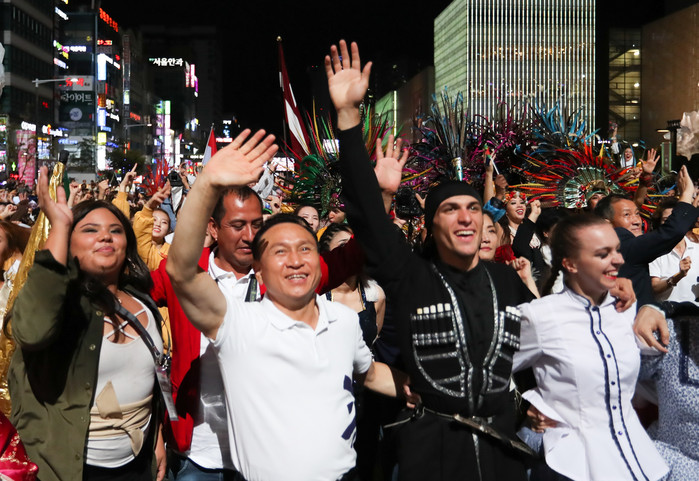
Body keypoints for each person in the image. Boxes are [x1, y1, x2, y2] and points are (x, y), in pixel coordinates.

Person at [327, 39, 535, 480]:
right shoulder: (411, 277)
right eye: (450, 209)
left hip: (503, 454)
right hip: (434, 452)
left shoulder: (506, 281)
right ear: (431, 225)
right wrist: (348, 117)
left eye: (473, 208)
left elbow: (554, 336)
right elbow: (365, 215)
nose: (466, 217)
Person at [166, 128, 412, 481]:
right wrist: (206, 183)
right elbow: (181, 271)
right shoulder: (238, 320)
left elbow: (370, 372)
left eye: (305, 248)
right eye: (280, 251)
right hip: (204, 456)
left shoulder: (341, 320)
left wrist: (381, 196)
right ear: (261, 270)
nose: (295, 260)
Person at [9, 167, 166, 481]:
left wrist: (156, 437)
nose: (105, 236)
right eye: (90, 230)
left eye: (116, 230)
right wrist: (59, 227)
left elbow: (150, 380)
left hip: (137, 466)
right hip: (69, 469)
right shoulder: (59, 306)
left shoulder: (145, 303)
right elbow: (31, 331)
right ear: (68, 244)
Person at [514, 214, 668, 480]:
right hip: (571, 465)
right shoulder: (540, 315)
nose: (618, 260)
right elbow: (489, 366)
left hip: (637, 459)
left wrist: (655, 308)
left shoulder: (625, 308)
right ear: (570, 263)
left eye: (617, 250)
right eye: (603, 254)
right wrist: (533, 403)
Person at [594, 167, 699, 307]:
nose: (637, 221)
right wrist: (686, 193)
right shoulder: (620, 245)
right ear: (606, 223)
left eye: (637, 213)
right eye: (627, 215)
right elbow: (672, 232)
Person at [648, 198, 699, 302]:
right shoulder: (654, 252)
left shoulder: (696, 248)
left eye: (676, 219)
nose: (672, 224)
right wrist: (677, 276)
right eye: (666, 220)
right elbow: (654, 288)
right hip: (666, 311)